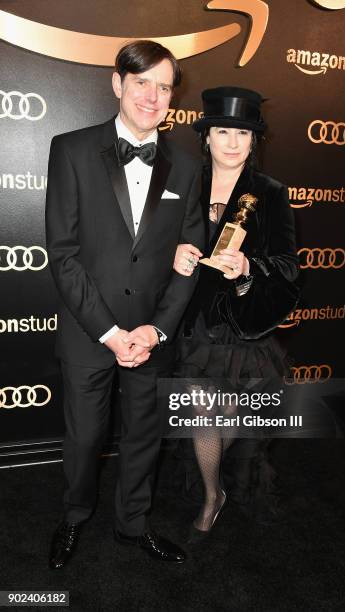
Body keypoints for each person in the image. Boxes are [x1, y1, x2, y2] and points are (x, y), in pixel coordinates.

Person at [45, 40, 204, 568]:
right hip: (91, 332)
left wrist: (156, 332)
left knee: (144, 438)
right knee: (86, 438)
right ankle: (74, 515)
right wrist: (111, 334)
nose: (153, 97)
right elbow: (64, 255)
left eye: (164, 87)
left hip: (154, 336)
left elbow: (189, 260)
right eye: (142, 83)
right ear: (118, 83)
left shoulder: (186, 164)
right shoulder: (70, 149)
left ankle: (133, 525)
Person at [172, 87, 299, 540]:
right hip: (191, 321)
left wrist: (249, 266)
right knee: (205, 413)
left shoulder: (270, 193)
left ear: (253, 141)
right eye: (221, 131)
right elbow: (152, 245)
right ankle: (212, 495)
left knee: (227, 416)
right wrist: (175, 255)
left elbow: (288, 265)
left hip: (242, 324)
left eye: (241, 133)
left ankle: (224, 486)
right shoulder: (183, 182)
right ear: (205, 137)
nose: (231, 141)